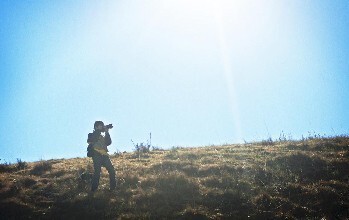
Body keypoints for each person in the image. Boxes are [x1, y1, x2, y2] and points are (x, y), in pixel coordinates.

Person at [87, 121, 116, 192]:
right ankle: (93, 190)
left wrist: (106, 132)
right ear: (96, 127)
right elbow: (91, 140)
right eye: (100, 126)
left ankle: (113, 189)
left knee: (112, 170)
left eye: (102, 125)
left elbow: (108, 142)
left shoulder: (102, 136)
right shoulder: (91, 135)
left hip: (105, 155)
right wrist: (101, 130)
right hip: (96, 155)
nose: (102, 127)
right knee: (97, 172)